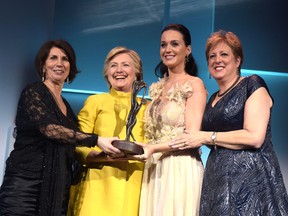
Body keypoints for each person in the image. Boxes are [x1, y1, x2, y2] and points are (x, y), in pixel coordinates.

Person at [170, 30, 288, 215]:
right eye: (212, 56)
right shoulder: (212, 99)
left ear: (238, 60)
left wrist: (207, 136)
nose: (217, 60)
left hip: (250, 183)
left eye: (224, 54)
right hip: (216, 181)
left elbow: (255, 137)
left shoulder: (252, 84)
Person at [0, 40, 119, 216]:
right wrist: (96, 140)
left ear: (70, 66)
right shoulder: (33, 92)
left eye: (65, 59)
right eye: (53, 58)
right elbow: (49, 129)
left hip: (56, 190)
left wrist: (98, 156)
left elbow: (70, 148)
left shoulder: (67, 108)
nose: (59, 63)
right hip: (24, 187)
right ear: (43, 65)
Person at [135, 24, 207, 216]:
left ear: (188, 50)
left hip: (180, 168)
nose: (167, 50)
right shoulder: (157, 88)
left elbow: (190, 136)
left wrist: (154, 149)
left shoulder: (194, 84)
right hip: (154, 169)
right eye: (163, 45)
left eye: (174, 44)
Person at [67, 46, 149, 216]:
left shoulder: (147, 107)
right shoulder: (96, 101)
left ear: (137, 72)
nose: (119, 70)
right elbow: (78, 144)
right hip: (98, 184)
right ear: (107, 72)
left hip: (135, 185)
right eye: (113, 65)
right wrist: (101, 156)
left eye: (125, 65)